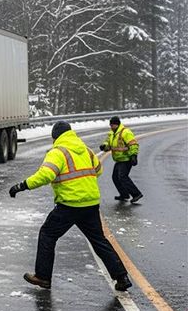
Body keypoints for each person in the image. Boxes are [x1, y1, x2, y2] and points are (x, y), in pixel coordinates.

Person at [8, 121, 132, 291]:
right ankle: (121, 277)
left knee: (47, 234)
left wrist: (21, 186)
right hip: (90, 203)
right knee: (99, 241)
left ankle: (43, 277)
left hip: (69, 204)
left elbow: (45, 175)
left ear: (56, 136)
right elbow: (98, 169)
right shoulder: (86, 150)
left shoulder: (58, 152)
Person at [99, 116, 142, 203]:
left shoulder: (126, 132)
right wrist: (104, 146)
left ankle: (136, 194)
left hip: (126, 159)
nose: (111, 127)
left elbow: (133, 144)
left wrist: (134, 155)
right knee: (115, 177)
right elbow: (108, 142)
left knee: (122, 177)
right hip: (119, 159)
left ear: (117, 124)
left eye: (112, 125)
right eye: (110, 125)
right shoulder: (112, 133)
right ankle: (124, 194)